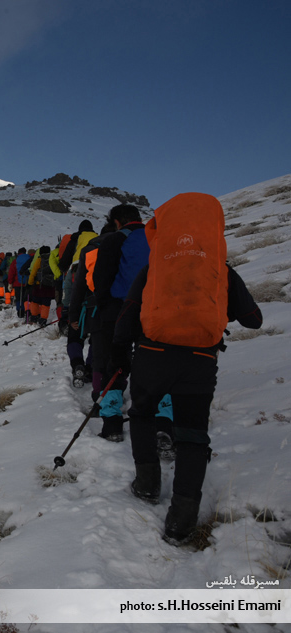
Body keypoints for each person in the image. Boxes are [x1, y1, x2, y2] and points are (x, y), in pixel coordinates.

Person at [111, 192, 262, 546]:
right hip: (200, 361)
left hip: (153, 353)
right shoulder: (220, 269)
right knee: (193, 434)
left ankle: (147, 485)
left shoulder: (155, 268)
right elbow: (254, 320)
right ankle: (181, 521)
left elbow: (124, 323)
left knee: (144, 413)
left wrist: (121, 352)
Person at [91, 204, 150, 441]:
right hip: (153, 308)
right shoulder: (156, 236)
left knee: (114, 363)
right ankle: (160, 420)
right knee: (150, 362)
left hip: (119, 308)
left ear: (116, 222)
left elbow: (100, 280)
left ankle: (113, 423)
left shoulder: (114, 240)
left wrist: (102, 306)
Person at [68, 222, 116, 389]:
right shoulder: (124, 246)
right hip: (116, 303)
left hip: (89, 303)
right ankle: (90, 369)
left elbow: (77, 286)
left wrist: (72, 314)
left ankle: (77, 364)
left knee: (76, 335)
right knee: (99, 342)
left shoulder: (89, 249)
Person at [27, 245, 57, 326]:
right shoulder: (52, 259)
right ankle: (43, 319)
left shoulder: (39, 260)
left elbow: (33, 272)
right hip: (50, 286)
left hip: (39, 285)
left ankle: (34, 317)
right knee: (46, 303)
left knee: (35, 301)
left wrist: (30, 282)